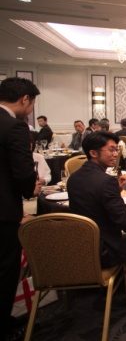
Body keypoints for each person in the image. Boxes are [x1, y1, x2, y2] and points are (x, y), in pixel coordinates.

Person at [68, 131, 126, 303]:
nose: (116, 154)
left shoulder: (74, 178)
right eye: (111, 150)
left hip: (80, 244)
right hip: (103, 251)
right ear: (93, 153)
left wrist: (115, 191)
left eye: (117, 149)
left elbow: (93, 205)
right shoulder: (105, 181)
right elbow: (121, 218)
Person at [0, 77, 41, 339]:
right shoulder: (14, 127)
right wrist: (31, 190)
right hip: (3, 211)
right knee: (5, 269)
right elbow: (23, 172)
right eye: (31, 103)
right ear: (25, 99)